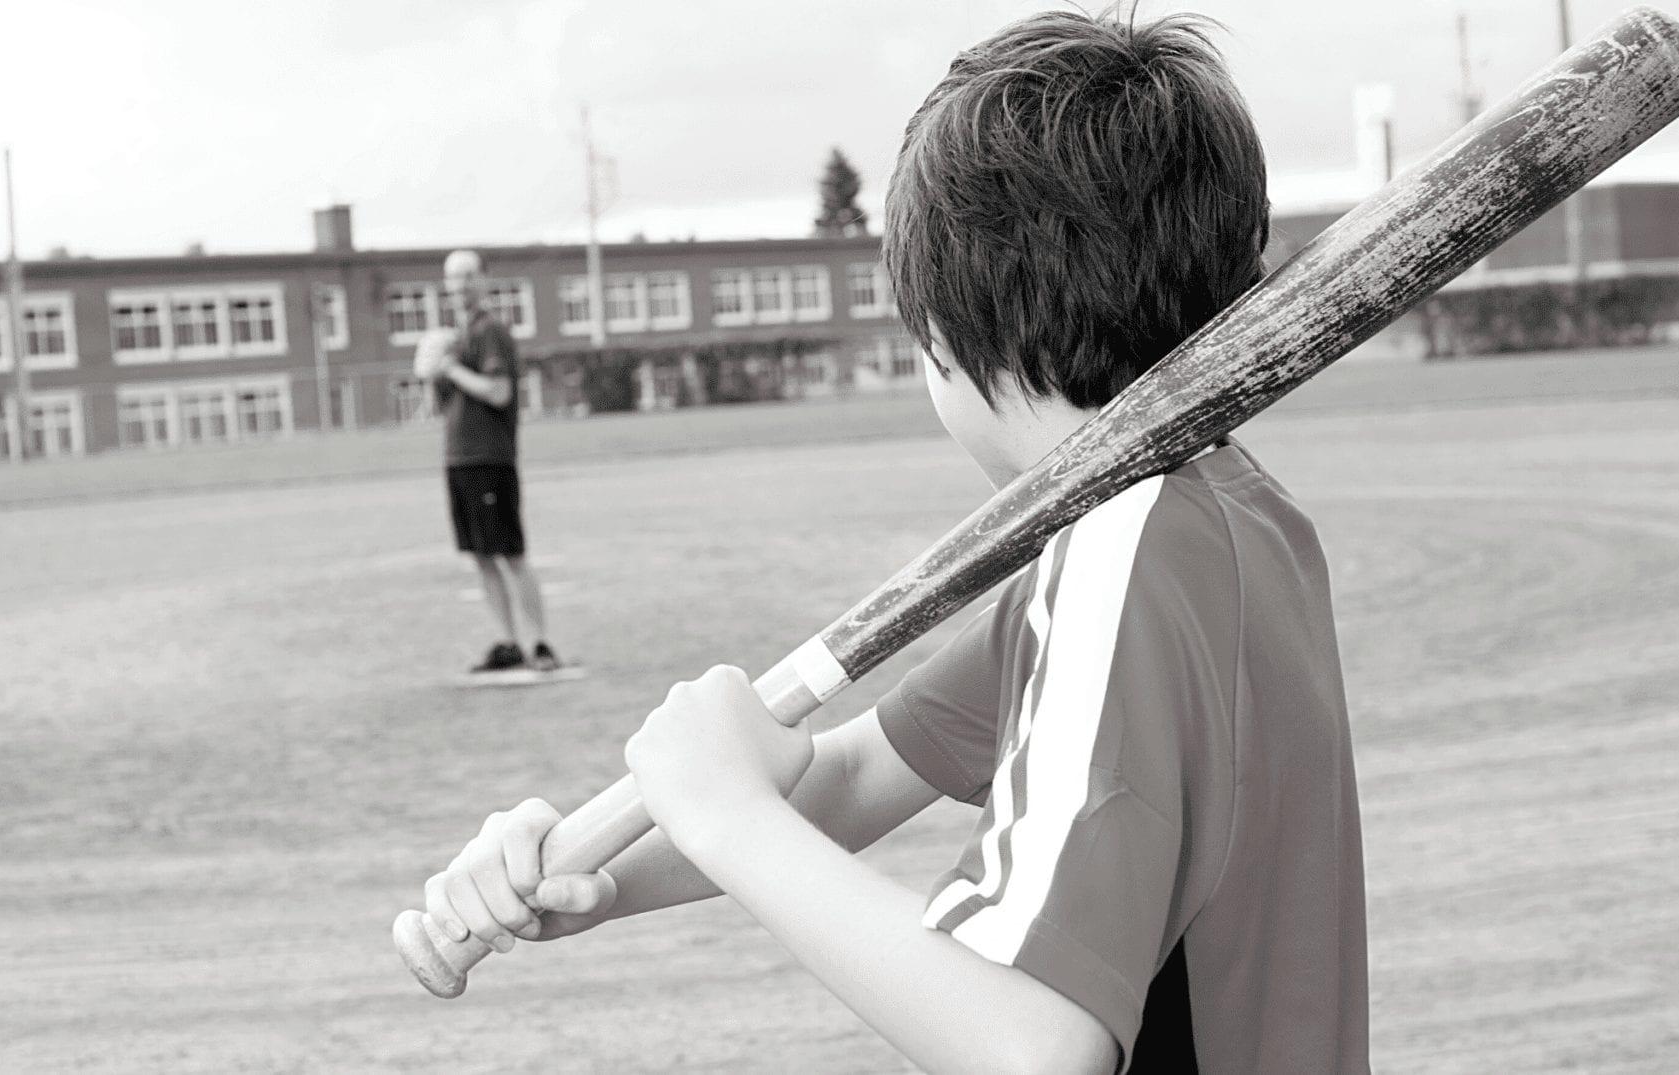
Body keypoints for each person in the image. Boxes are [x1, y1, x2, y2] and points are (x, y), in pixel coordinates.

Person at [416, 12, 1368, 1072]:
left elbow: (1031, 1046)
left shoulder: (1124, 555)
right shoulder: (1220, 515)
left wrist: (731, 817)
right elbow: (853, 772)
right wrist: (590, 875)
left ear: (951, 333)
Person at [427, 249, 561, 674]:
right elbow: (446, 404)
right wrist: (434, 372)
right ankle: (509, 642)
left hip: (490, 457)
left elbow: (499, 392)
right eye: (453, 278)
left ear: (484, 280)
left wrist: (450, 368)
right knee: (482, 556)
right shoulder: (457, 336)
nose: (460, 285)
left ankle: (540, 643)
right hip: (459, 457)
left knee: (510, 554)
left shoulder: (490, 331)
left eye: (468, 276)